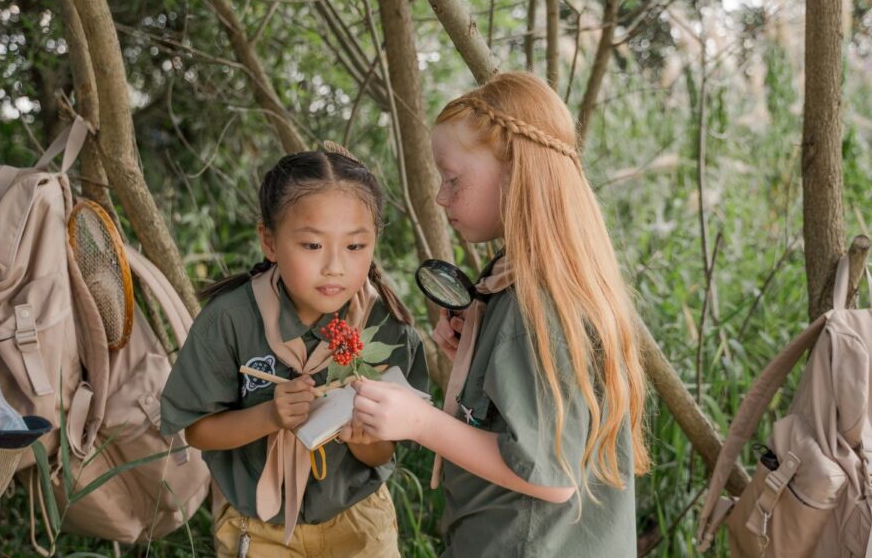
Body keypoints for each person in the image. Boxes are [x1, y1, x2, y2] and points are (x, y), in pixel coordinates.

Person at [351, 72, 649, 557]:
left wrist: (419, 423)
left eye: (453, 179)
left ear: (514, 172)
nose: (441, 197)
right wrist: (480, 351)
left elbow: (550, 478)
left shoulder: (536, 304)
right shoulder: (540, 282)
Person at [160, 151, 428, 557]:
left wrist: (362, 439)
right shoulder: (230, 321)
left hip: (358, 519)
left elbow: (382, 451)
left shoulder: (386, 329)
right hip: (260, 527)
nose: (335, 266)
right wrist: (269, 416)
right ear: (269, 240)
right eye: (312, 244)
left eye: (356, 245)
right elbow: (198, 429)